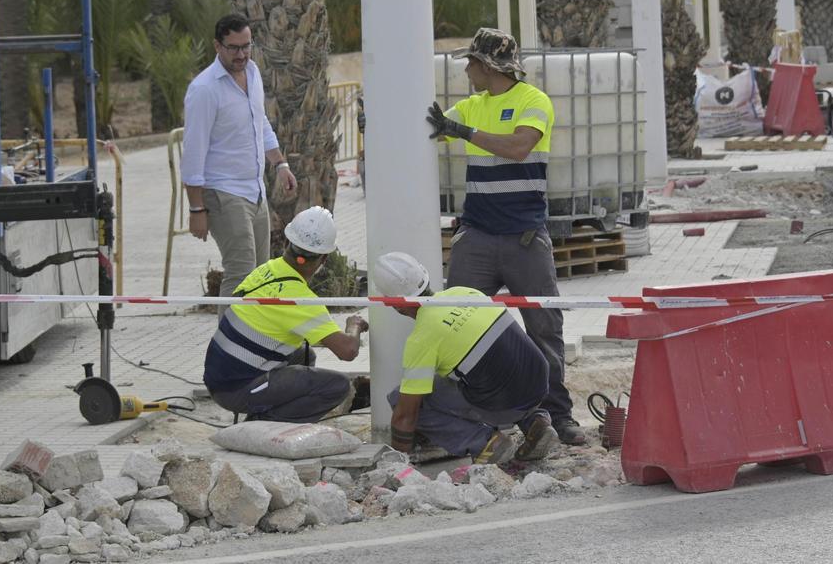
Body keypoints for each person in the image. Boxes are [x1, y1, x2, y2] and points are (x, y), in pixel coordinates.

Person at [424, 27, 587, 446]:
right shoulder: (470, 107)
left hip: (524, 238)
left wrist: (463, 133)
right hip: (477, 235)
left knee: (544, 326)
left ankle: (558, 416)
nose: (465, 70)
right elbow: (425, 130)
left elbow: (518, 148)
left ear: (488, 66)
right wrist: (379, 124)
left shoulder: (533, 102)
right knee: (450, 323)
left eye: (470, 63)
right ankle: (462, 417)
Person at [375, 252, 556, 463]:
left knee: (402, 399)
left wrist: (397, 467)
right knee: (486, 370)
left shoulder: (422, 338)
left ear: (394, 304)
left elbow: (405, 415)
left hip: (504, 402)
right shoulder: (463, 292)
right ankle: (536, 423)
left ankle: (483, 442)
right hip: (539, 383)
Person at [203, 206, 368, 422]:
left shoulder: (266, 270)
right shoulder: (301, 300)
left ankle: (264, 408)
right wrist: (353, 325)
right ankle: (263, 424)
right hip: (236, 389)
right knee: (336, 386)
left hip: (218, 377)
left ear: (287, 243)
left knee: (305, 356)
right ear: (324, 259)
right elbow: (347, 351)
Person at [182, 13, 297, 296]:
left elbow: (260, 123)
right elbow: (193, 153)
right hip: (223, 192)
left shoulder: (254, 73)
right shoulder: (204, 89)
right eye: (233, 47)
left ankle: (255, 339)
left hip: (255, 190)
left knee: (261, 273)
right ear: (217, 46)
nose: (241, 54)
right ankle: (228, 339)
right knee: (241, 272)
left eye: (246, 46)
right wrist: (196, 209)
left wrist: (280, 163)